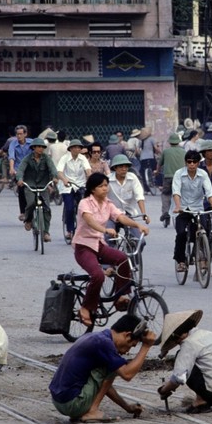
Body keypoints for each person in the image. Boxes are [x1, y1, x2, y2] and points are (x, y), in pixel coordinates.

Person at [73, 172, 150, 326]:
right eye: (101, 186)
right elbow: (90, 221)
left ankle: (120, 296)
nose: (105, 189)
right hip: (84, 247)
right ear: (92, 189)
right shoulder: (85, 203)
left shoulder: (108, 204)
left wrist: (138, 225)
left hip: (99, 245)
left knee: (122, 259)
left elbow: (120, 217)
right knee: (98, 276)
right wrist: (105, 230)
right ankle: (86, 308)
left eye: (106, 185)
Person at [49, 314, 155, 423]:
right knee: (112, 367)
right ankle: (92, 411)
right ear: (127, 335)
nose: (127, 351)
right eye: (131, 345)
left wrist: (127, 407)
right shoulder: (104, 344)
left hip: (60, 401)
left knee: (111, 365)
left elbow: (104, 385)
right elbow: (127, 374)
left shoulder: (96, 337)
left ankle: (84, 411)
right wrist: (146, 346)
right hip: (72, 403)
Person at [157, 310, 212, 413]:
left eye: (175, 340)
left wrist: (164, 390)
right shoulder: (210, 334)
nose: (176, 343)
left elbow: (178, 378)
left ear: (179, 335)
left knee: (185, 361)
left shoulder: (188, 345)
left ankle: (201, 401)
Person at [171, 150, 212, 273]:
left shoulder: (203, 174)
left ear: (198, 163)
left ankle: (202, 257)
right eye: (189, 162)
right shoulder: (179, 174)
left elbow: (209, 192)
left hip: (198, 209)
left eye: (194, 162)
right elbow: (176, 191)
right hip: (182, 209)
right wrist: (177, 206)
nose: (192, 164)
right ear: (185, 163)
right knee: (181, 234)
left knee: (204, 231)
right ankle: (181, 261)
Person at [17, 138, 58, 242]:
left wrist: (54, 177)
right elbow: (20, 169)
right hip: (30, 185)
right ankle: (29, 220)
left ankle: (46, 232)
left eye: (42, 147)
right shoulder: (27, 158)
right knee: (31, 203)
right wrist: (20, 179)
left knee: (47, 208)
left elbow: (52, 168)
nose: (41, 149)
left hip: (43, 185)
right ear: (34, 148)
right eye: (38, 147)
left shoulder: (46, 158)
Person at [58, 139, 92, 243]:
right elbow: (59, 171)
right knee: (69, 208)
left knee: (84, 208)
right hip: (67, 185)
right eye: (74, 147)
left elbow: (88, 170)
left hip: (80, 184)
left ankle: (84, 229)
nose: (77, 149)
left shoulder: (83, 159)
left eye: (79, 147)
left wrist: (90, 179)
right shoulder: (64, 158)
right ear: (70, 149)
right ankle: (69, 230)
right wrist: (64, 179)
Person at [108, 155, 149, 239]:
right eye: (121, 166)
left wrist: (144, 213)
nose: (124, 169)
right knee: (108, 238)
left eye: (126, 166)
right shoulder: (108, 179)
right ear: (115, 168)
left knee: (139, 240)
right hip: (111, 214)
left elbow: (139, 196)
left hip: (129, 214)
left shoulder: (132, 178)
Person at [157, 133, 185, 223]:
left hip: (168, 177)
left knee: (166, 194)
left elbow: (159, 164)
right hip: (181, 177)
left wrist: (156, 172)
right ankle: (182, 210)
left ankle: (165, 212)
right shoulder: (183, 151)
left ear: (170, 142)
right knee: (181, 194)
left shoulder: (165, 151)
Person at [8, 125, 32, 221]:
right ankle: (22, 212)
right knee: (21, 189)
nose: (19, 136)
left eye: (21, 134)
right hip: (19, 170)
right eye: (17, 134)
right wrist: (11, 168)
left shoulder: (31, 143)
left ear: (25, 134)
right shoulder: (13, 144)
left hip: (30, 169)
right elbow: (11, 157)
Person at [138, 127, 159, 193]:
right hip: (150, 157)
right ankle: (154, 183)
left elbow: (138, 150)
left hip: (142, 158)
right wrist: (160, 152)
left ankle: (146, 189)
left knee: (143, 173)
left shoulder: (141, 141)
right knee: (154, 170)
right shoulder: (152, 139)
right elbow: (156, 148)